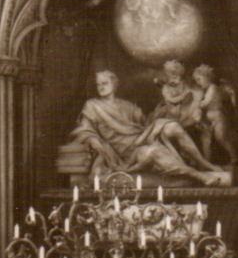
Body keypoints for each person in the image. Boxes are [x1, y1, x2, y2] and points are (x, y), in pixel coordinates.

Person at [69, 69, 221, 184]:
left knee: (172, 126)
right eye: (98, 84)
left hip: (139, 138)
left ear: (114, 85)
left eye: (104, 83)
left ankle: (204, 164)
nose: (101, 87)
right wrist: (97, 145)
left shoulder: (128, 106)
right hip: (123, 151)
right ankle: (199, 176)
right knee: (155, 151)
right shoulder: (93, 105)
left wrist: (162, 109)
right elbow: (85, 129)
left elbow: (145, 123)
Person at [193, 63, 236, 165]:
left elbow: (207, 102)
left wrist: (198, 104)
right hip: (210, 119)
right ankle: (207, 161)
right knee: (207, 139)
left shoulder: (212, 88)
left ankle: (234, 156)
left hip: (218, 117)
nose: (198, 83)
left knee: (221, 137)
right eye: (196, 81)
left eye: (199, 79)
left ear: (207, 77)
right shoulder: (207, 90)